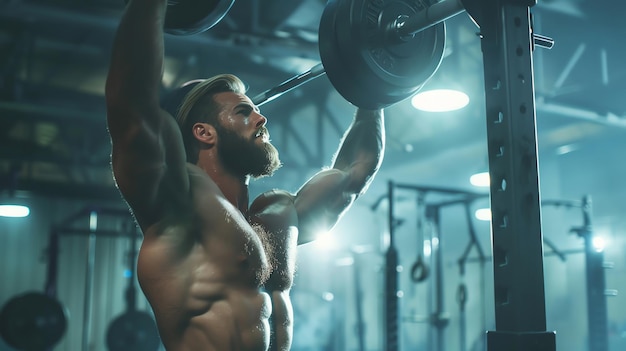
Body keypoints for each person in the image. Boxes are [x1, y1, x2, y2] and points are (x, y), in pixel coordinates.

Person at [104, 0, 385, 350]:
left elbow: (353, 174)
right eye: (244, 112)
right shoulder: (176, 202)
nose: (262, 119)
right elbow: (131, 107)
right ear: (204, 133)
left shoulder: (278, 215)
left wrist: (374, 88)